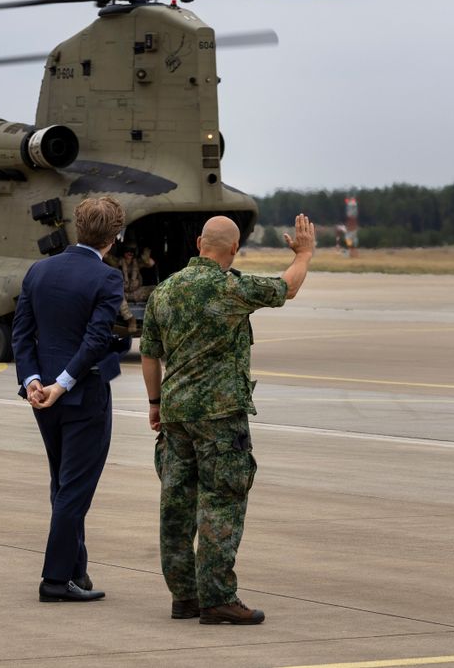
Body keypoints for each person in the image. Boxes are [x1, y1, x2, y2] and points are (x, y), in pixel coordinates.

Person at [140, 213, 315, 624]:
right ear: (233, 249)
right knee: (220, 504)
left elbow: (149, 354)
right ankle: (217, 596)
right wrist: (304, 254)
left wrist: (155, 403)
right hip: (219, 417)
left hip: (176, 414)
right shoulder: (229, 286)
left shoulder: (163, 292)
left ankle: (184, 595)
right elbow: (287, 287)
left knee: (176, 505)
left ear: (199, 242)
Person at [12, 196, 126, 602]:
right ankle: (56, 580)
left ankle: (76, 570)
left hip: (43, 397)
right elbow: (96, 340)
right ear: (114, 237)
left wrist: (33, 381)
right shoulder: (107, 279)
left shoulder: (39, 270)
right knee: (74, 490)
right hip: (82, 395)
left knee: (62, 484)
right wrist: (62, 383)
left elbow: (21, 334)